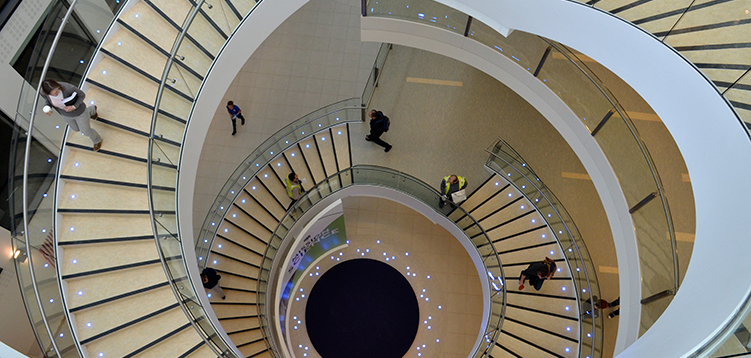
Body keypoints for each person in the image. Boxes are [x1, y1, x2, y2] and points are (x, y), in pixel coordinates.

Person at [41, 79, 102, 151]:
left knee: (85, 131)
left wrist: (73, 106)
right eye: (52, 94)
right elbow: (48, 101)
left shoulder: (68, 88)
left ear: (58, 87)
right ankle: (91, 110)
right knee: (76, 129)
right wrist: (48, 107)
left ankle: (97, 140)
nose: (55, 95)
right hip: (66, 114)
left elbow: (82, 95)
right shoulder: (43, 93)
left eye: (56, 92)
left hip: (80, 112)